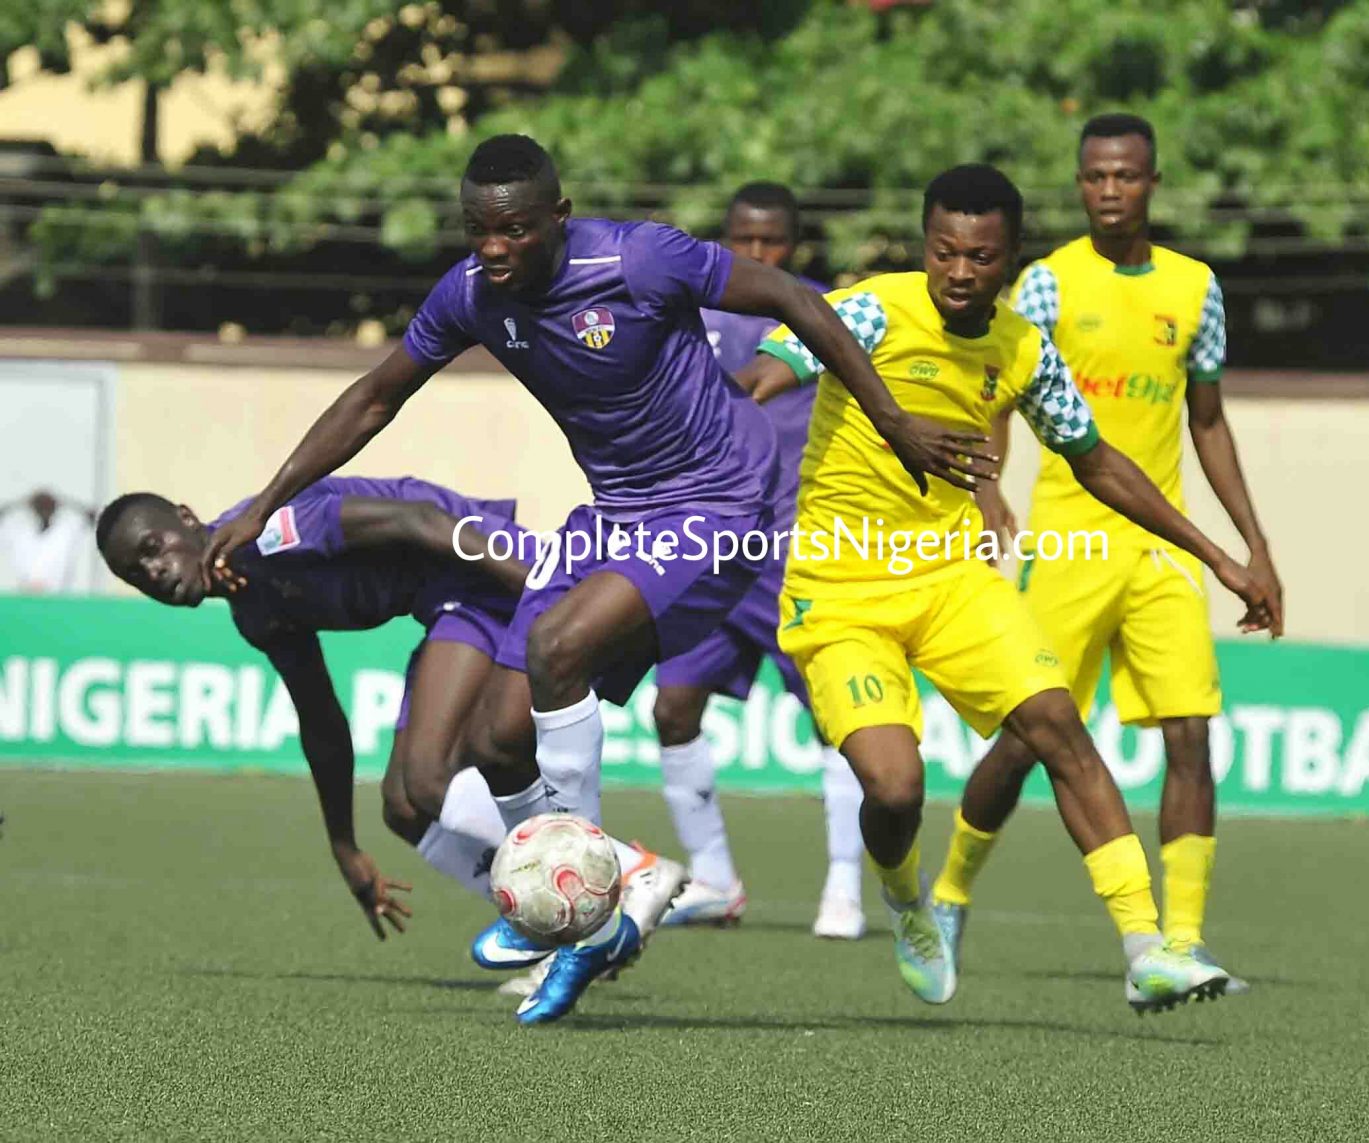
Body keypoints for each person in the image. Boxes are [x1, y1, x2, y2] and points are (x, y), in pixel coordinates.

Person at [199, 135, 987, 1025]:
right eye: (477, 230)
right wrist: (266, 505)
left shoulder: (640, 258)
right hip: (616, 510)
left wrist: (893, 421)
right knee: (497, 740)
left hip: (719, 494)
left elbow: (796, 299)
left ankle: (591, 911)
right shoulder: (469, 294)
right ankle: (584, 902)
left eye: (514, 230)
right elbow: (375, 397)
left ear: (559, 218)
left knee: (556, 645)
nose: (493, 248)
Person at [738, 164, 1279, 1011]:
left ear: (1011, 256)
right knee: (895, 787)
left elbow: (1098, 461)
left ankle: (1147, 947)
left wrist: (1218, 555)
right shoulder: (871, 309)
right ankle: (907, 897)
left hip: (953, 581)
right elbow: (762, 378)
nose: (960, 272)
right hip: (839, 591)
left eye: (981, 257)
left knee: (1057, 723)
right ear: (925, 245)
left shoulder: (1024, 348)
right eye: (944, 251)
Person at [932, 115, 1284, 993]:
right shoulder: (1048, 285)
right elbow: (998, 394)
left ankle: (1181, 942)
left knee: (1191, 734)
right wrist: (986, 489)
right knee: (1026, 741)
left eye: (1125, 176)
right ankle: (949, 896)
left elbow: (1209, 422)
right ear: (1081, 184)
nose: (1110, 190)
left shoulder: (1196, 289)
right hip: (1068, 544)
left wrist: (1254, 544)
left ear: (1152, 182)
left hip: (1159, 551)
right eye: (1095, 177)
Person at [97, 477, 683, 978]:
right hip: (449, 603)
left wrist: (544, 589)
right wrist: (344, 846)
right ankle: (565, 929)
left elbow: (418, 520)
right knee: (404, 808)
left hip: (481, 570)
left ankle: (627, 873)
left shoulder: (269, 533)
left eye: (153, 548)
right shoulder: (254, 610)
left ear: (186, 518)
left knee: (428, 778)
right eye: (136, 573)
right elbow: (322, 723)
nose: (155, 572)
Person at [653, 181, 867, 939]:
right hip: (710, 547)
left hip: (793, 544)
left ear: (793, 243)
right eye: (744, 240)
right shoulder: (690, 312)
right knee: (673, 706)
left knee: (833, 716)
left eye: (771, 241)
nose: (757, 253)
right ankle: (714, 877)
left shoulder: (818, 311)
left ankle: (844, 885)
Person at [0, 489, 94, 593]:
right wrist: (22, 502)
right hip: (26, 594)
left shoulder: (65, 532)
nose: (44, 511)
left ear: (54, 509)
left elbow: (94, 518)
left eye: (47, 507)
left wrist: (64, 502)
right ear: (34, 509)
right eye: (40, 507)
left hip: (58, 595)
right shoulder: (21, 533)